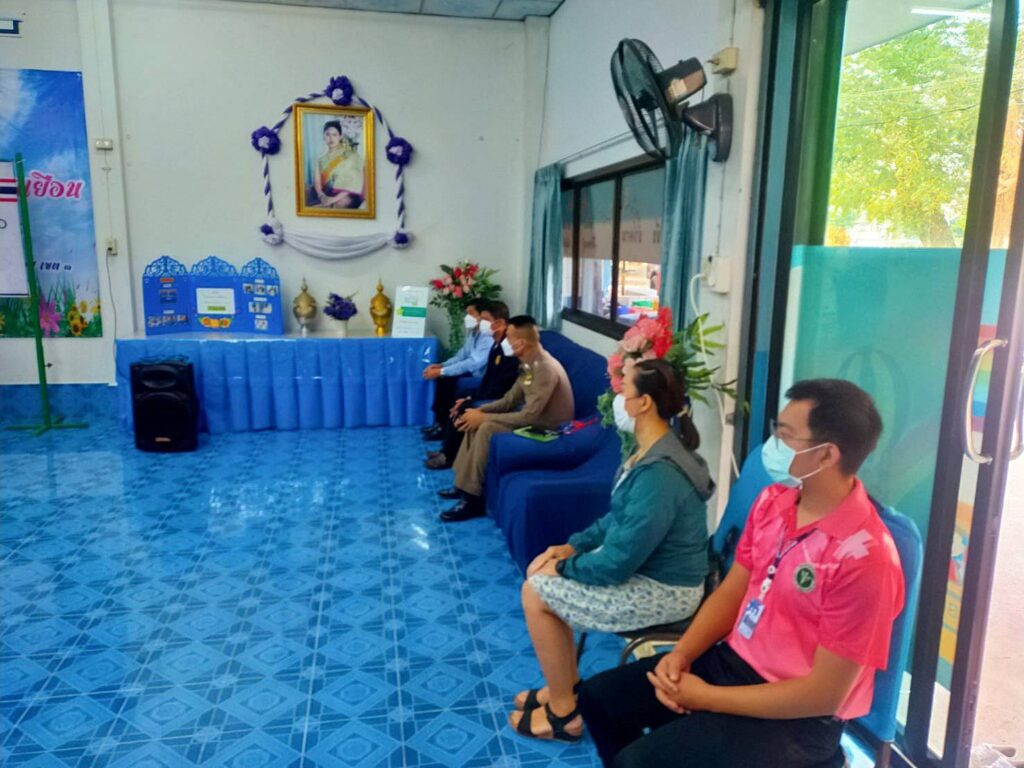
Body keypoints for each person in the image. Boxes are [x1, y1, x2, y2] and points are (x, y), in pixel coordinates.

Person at [577, 379, 904, 768]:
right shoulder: (774, 502)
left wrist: (706, 698)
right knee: (598, 700)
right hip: (733, 664)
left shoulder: (866, 557)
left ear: (826, 455)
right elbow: (734, 591)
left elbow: (824, 695)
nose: (773, 444)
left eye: (785, 435)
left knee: (638, 763)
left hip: (800, 717)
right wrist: (681, 655)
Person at [507, 359, 714, 743]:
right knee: (543, 578)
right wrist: (571, 546)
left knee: (535, 592)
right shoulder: (648, 452)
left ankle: (564, 714)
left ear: (644, 403)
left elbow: (618, 562)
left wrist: (564, 569)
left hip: (667, 592)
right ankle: (565, 687)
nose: (616, 396)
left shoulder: (660, 473)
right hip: (647, 571)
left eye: (624, 389)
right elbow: (617, 519)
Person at [438, 315, 574, 522]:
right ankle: (462, 485)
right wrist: (478, 411)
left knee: (486, 427)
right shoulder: (528, 363)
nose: (505, 342)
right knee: (474, 419)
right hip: (533, 419)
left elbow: (530, 416)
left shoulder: (544, 368)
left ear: (521, 343)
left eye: (509, 337)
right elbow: (509, 400)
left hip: (549, 428)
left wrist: (484, 418)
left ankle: (472, 500)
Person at [426, 300, 520, 469]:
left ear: (500, 323)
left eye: (484, 319)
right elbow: (486, 377)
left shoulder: (506, 349)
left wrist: (471, 399)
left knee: (463, 405)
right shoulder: (496, 345)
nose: (479, 322)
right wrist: (443, 367)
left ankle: (449, 456)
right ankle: (446, 446)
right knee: (458, 397)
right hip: (489, 389)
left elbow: (499, 386)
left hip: (500, 397)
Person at [421, 299, 493, 440]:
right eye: (466, 313)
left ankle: (446, 427)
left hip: (480, 376)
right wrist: (442, 366)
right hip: (471, 372)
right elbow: (462, 355)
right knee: (443, 380)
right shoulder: (473, 332)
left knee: (449, 381)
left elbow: (473, 363)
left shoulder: (487, 337)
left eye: (471, 313)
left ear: (482, 316)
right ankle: (440, 422)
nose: (467, 317)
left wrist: (442, 371)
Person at [314, 121, 364, 209]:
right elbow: (317, 182)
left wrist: (333, 199)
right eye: (327, 134)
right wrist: (321, 195)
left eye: (334, 135)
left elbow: (355, 183)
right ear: (323, 137)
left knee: (340, 204)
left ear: (340, 136)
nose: (331, 138)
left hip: (348, 194)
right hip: (327, 193)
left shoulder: (349, 155)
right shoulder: (320, 159)